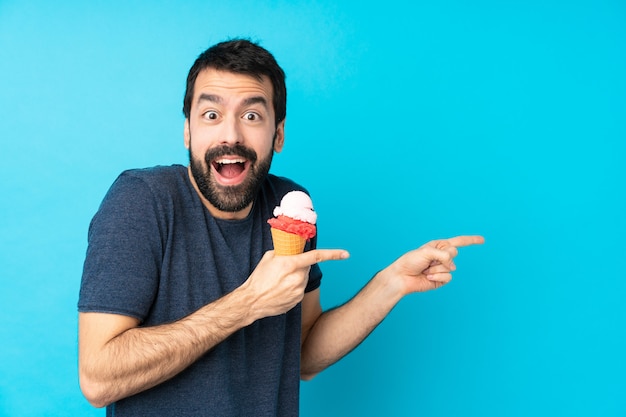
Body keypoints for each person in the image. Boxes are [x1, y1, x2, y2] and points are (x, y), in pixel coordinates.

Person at [78, 38, 484, 416]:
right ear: (188, 130)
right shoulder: (141, 201)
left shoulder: (290, 205)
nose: (230, 134)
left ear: (278, 134)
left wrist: (391, 284)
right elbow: (98, 378)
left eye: (252, 115)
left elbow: (303, 354)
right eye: (211, 114)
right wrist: (247, 303)